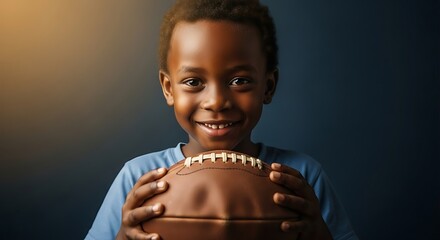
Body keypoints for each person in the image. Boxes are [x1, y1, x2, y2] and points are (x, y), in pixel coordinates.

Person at [85, 0, 359, 239]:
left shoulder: (301, 177)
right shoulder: (138, 178)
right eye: (193, 81)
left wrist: (319, 235)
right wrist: (123, 236)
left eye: (239, 80)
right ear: (169, 88)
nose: (216, 101)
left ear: (268, 86)